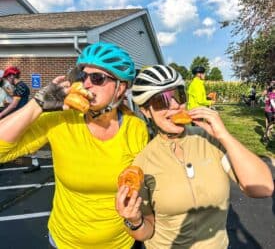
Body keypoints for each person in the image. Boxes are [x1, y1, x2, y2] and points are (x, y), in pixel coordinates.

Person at [0, 42, 149, 248]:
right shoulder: (61, 120)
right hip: (66, 241)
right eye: (82, 76)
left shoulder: (136, 128)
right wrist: (38, 104)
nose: (86, 84)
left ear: (120, 87)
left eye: (97, 78)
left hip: (121, 243)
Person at [116, 65, 274, 249]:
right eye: (161, 101)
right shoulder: (143, 163)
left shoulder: (209, 139)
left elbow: (263, 187)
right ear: (145, 110)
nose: (175, 106)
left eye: (179, 96)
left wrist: (224, 135)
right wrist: (133, 221)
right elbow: (147, 231)